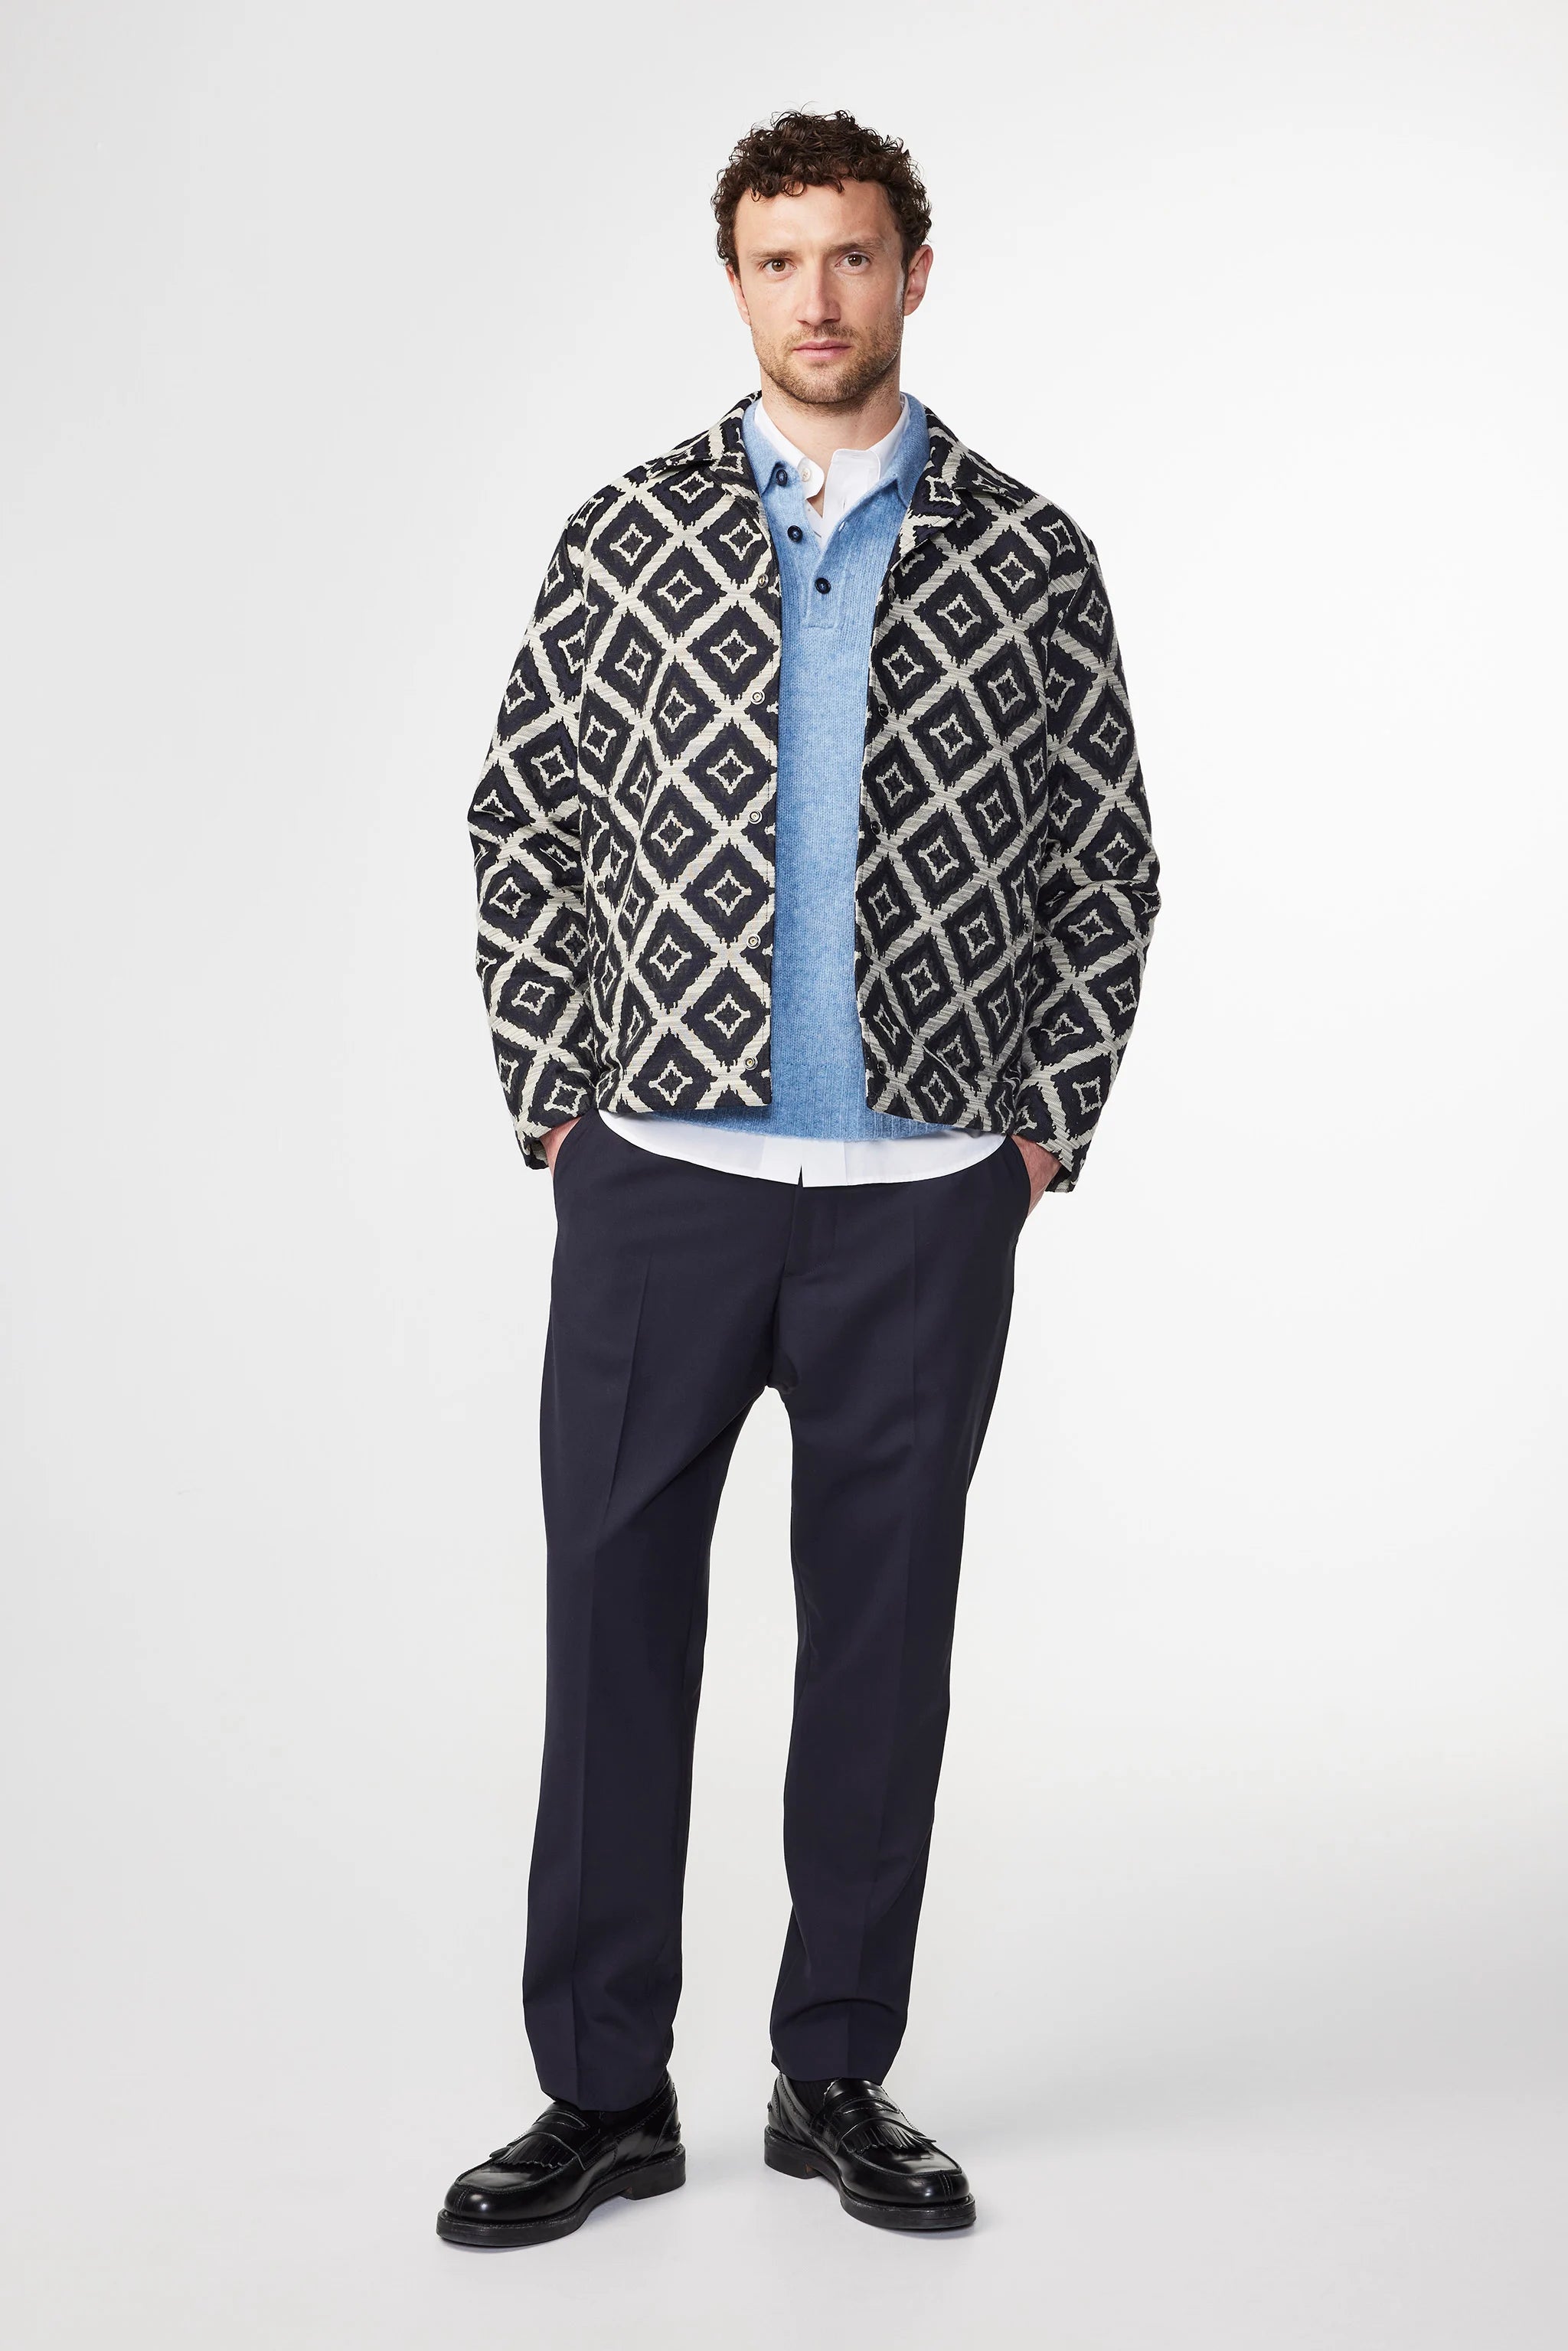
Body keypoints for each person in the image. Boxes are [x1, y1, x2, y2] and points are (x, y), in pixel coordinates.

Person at [437, 107, 1161, 2247]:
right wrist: (560, 1102)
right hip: (661, 1177)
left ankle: (835, 2070)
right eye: (778, 261)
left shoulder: (1030, 556)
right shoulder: (627, 536)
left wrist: (1036, 1128)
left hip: (925, 1195)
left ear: (913, 273)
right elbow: (523, 819)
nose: (816, 298)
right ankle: (602, 2095)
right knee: (612, 1630)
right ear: (736, 282)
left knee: (882, 1644)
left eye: (851, 257)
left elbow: (1106, 857)